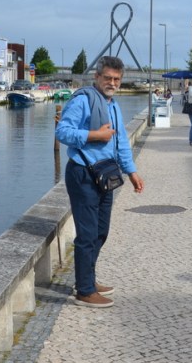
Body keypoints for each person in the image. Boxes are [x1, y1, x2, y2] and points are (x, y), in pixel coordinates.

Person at [56, 56, 145, 308]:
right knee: (87, 234)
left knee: (100, 231)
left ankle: (88, 279)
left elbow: (120, 142)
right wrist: (95, 135)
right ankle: (84, 291)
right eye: (107, 78)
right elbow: (62, 132)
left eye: (117, 79)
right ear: (97, 77)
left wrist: (132, 172)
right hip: (83, 173)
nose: (112, 83)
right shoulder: (83, 100)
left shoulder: (113, 105)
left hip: (105, 173)